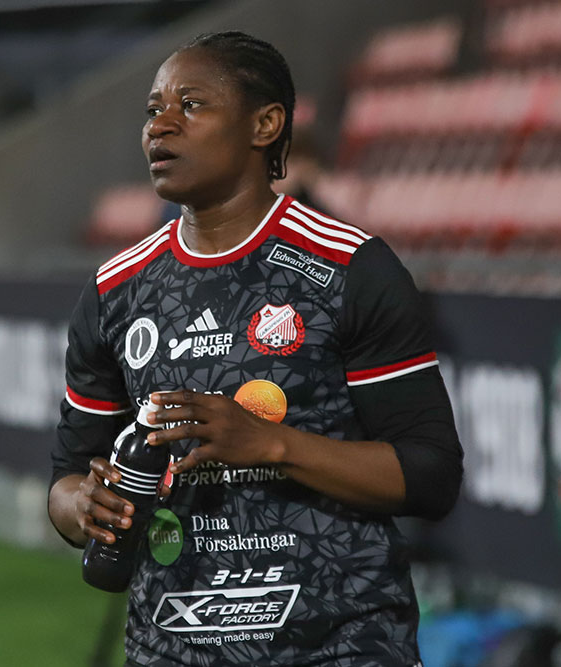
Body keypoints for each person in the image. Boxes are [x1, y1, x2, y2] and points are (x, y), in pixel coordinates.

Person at [49, 31, 463, 666]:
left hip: (339, 646)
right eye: (153, 109)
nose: (160, 125)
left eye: (191, 105)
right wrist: (84, 505)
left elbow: (431, 474)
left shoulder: (350, 269)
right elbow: (66, 478)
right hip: (170, 648)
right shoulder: (115, 291)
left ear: (265, 125)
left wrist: (273, 444)